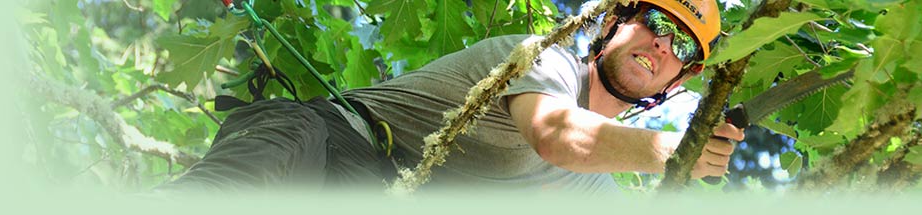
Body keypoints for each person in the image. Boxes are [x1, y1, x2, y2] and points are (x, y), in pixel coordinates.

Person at [156, 0, 743, 195]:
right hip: (322, 142)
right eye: (657, 25)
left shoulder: (594, 190)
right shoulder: (543, 57)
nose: (662, 47)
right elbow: (558, 136)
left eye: (684, 47)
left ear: (682, 79)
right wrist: (674, 151)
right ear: (619, 19)